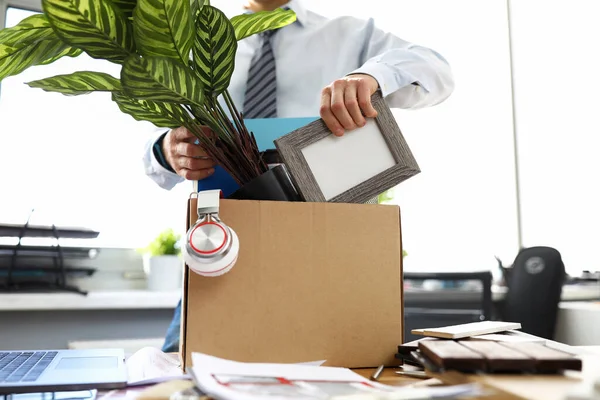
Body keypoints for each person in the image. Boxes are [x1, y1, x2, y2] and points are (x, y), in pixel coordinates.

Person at [143, 0, 455, 352]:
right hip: (219, 255)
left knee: (347, 368)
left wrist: (372, 76)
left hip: (326, 256)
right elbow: (154, 150)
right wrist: (166, 149)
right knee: (180, 373)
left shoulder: (352, 35)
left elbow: (436, 71)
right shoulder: (194, 42)